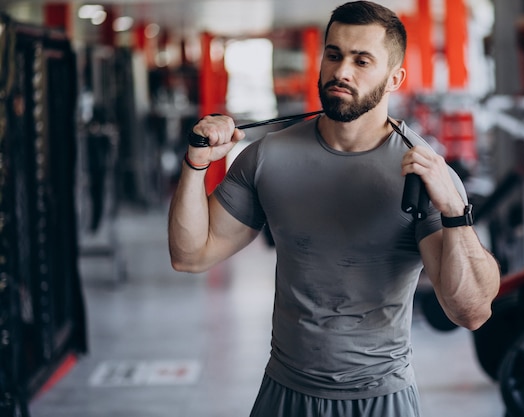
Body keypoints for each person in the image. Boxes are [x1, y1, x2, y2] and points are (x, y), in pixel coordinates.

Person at [168, 1, 500, 416]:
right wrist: (197, 164)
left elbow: (471, 311)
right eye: (334, 54)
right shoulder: (269, 156)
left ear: (394, 77)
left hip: (382, 398)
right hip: (285, 393)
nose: (342, 71)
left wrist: (454, 209)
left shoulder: (421, 172)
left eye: (362, 60)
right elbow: (190, 254)